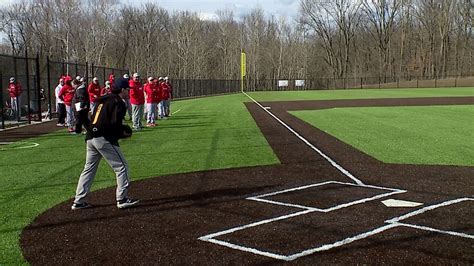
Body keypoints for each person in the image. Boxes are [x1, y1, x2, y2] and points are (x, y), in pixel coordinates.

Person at [71, 77, 139, 210]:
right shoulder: (118, 102)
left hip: (90, 136)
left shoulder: (103, 98)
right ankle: (122, 198)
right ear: (122, 89)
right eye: (127, 89)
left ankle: (79, 200)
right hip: (103, 137)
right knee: (122, 167)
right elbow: (114, 124)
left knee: (88, 169)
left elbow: (91, 116)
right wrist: (122, 133)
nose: (128, 92)